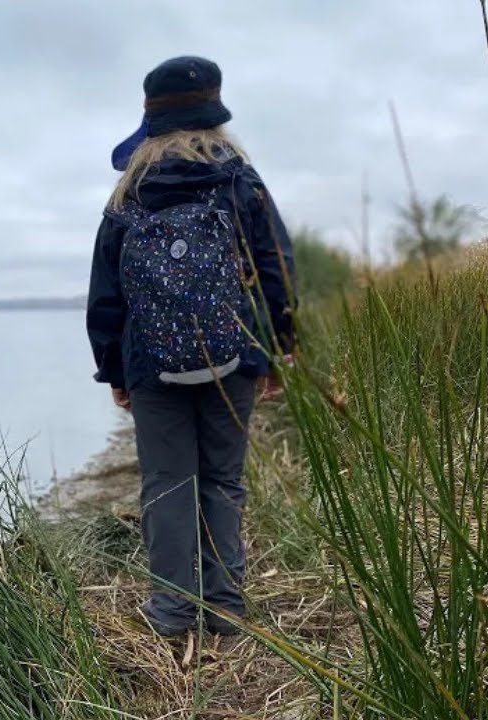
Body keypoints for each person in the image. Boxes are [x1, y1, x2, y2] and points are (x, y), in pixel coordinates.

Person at [86, 56, 297, 638]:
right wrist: (278, 349)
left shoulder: (128, 195)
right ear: (214, 112)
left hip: (152, 363)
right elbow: (278, 269)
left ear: (151, 121)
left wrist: (115, 371)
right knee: (223, 480)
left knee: (166, 483)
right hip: (234, 354)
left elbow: (105, 296)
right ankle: (226, 610)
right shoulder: (240, 182)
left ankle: (174, 612)